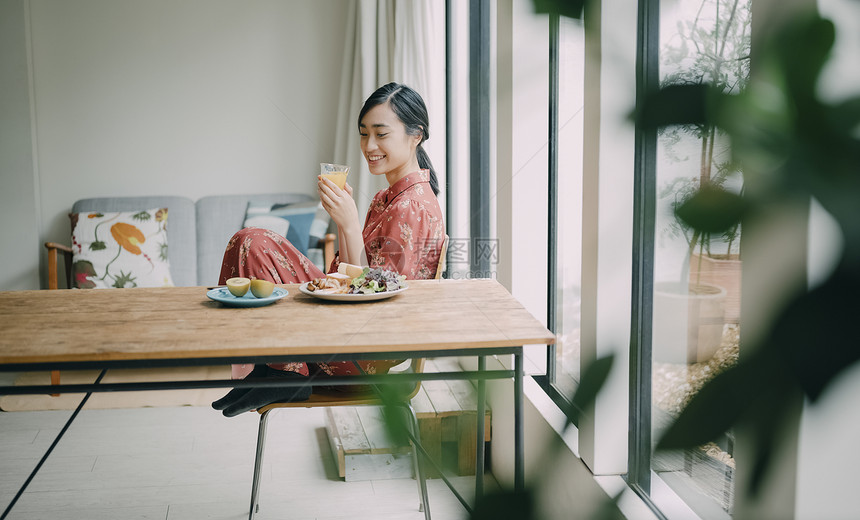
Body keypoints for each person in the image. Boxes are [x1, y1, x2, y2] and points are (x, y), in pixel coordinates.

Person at [212, 83, 445, 417]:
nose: (370, 146)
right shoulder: (387, 198)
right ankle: (271, 372)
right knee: (252, 242)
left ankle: (282, 373)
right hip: (349, 335)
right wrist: (343, 220)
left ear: (416, 135)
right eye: (364, 134)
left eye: (381, 134)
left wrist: (350, 224)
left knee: (254, 241)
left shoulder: (412, 206)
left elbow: (382, 304)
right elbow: (347, 276)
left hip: (361, 357)